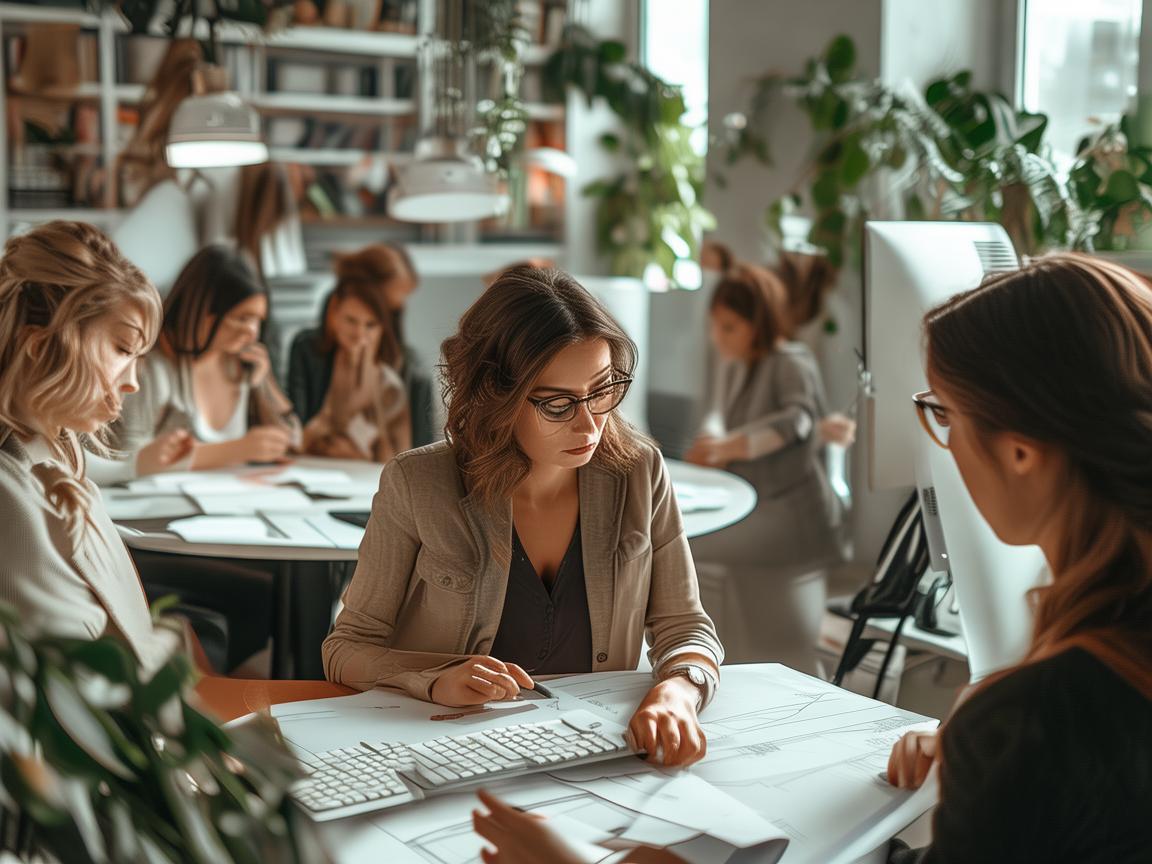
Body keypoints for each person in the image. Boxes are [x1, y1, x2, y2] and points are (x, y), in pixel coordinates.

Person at [473, 253, 1152, 864]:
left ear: (1023, 451)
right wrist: (987, 765)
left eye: (944, 413)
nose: (940, 443)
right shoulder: (1075, 692)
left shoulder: (1035, 722)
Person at [323, 266, 723, 766]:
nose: (590, 423)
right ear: (498, 398)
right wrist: (434, 681)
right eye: (558, 404)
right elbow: (347, 648)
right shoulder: (417, 483)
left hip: (595, 754)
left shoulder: (640, 471)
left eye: (601, 391)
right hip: (450, 754)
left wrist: (678, 693)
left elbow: (686, 626)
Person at [0, 220, 187, 674]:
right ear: (40, 344)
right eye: (122, 349)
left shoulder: (61, 452)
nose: (132, 383)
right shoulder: (11, 496)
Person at [684, 262, 842, 672]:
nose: (717, 338)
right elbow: (723, 417)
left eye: (729, 327)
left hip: (790, 516)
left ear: (759, 323)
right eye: (715, 326)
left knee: (677, 547)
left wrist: (728, 448)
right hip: (760, 511)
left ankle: (699, 654)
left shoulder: (790, 360)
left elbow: (797, 423)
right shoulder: (742, 366)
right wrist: (715, 444)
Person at [99, 243, 301, 477]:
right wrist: (237, 450)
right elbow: (129, 457)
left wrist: (266, 384)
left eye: (258, 320)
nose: (252, 332)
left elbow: (294, 440)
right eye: (242, 318)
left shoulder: (244, 364)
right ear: (203, 311)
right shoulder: (153, 367)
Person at [288, 243, 435, 449]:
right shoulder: (307, 349)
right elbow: (296, 437)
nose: (400, 306)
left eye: (371, 324)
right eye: (350, 320)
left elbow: (415, 454)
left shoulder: (409, 373)